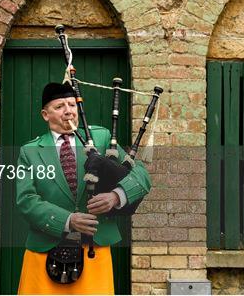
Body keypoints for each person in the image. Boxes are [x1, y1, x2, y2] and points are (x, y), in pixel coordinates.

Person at [16, 82, 151, 295]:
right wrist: (68, 221)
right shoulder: (30, 151)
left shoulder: (102, 138)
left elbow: (141, 175)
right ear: (45, 114)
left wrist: (117, 196)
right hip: (44, 251)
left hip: (93, 250)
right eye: (59, 106)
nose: (68, 110)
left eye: (72, 104)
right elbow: (26, 200)